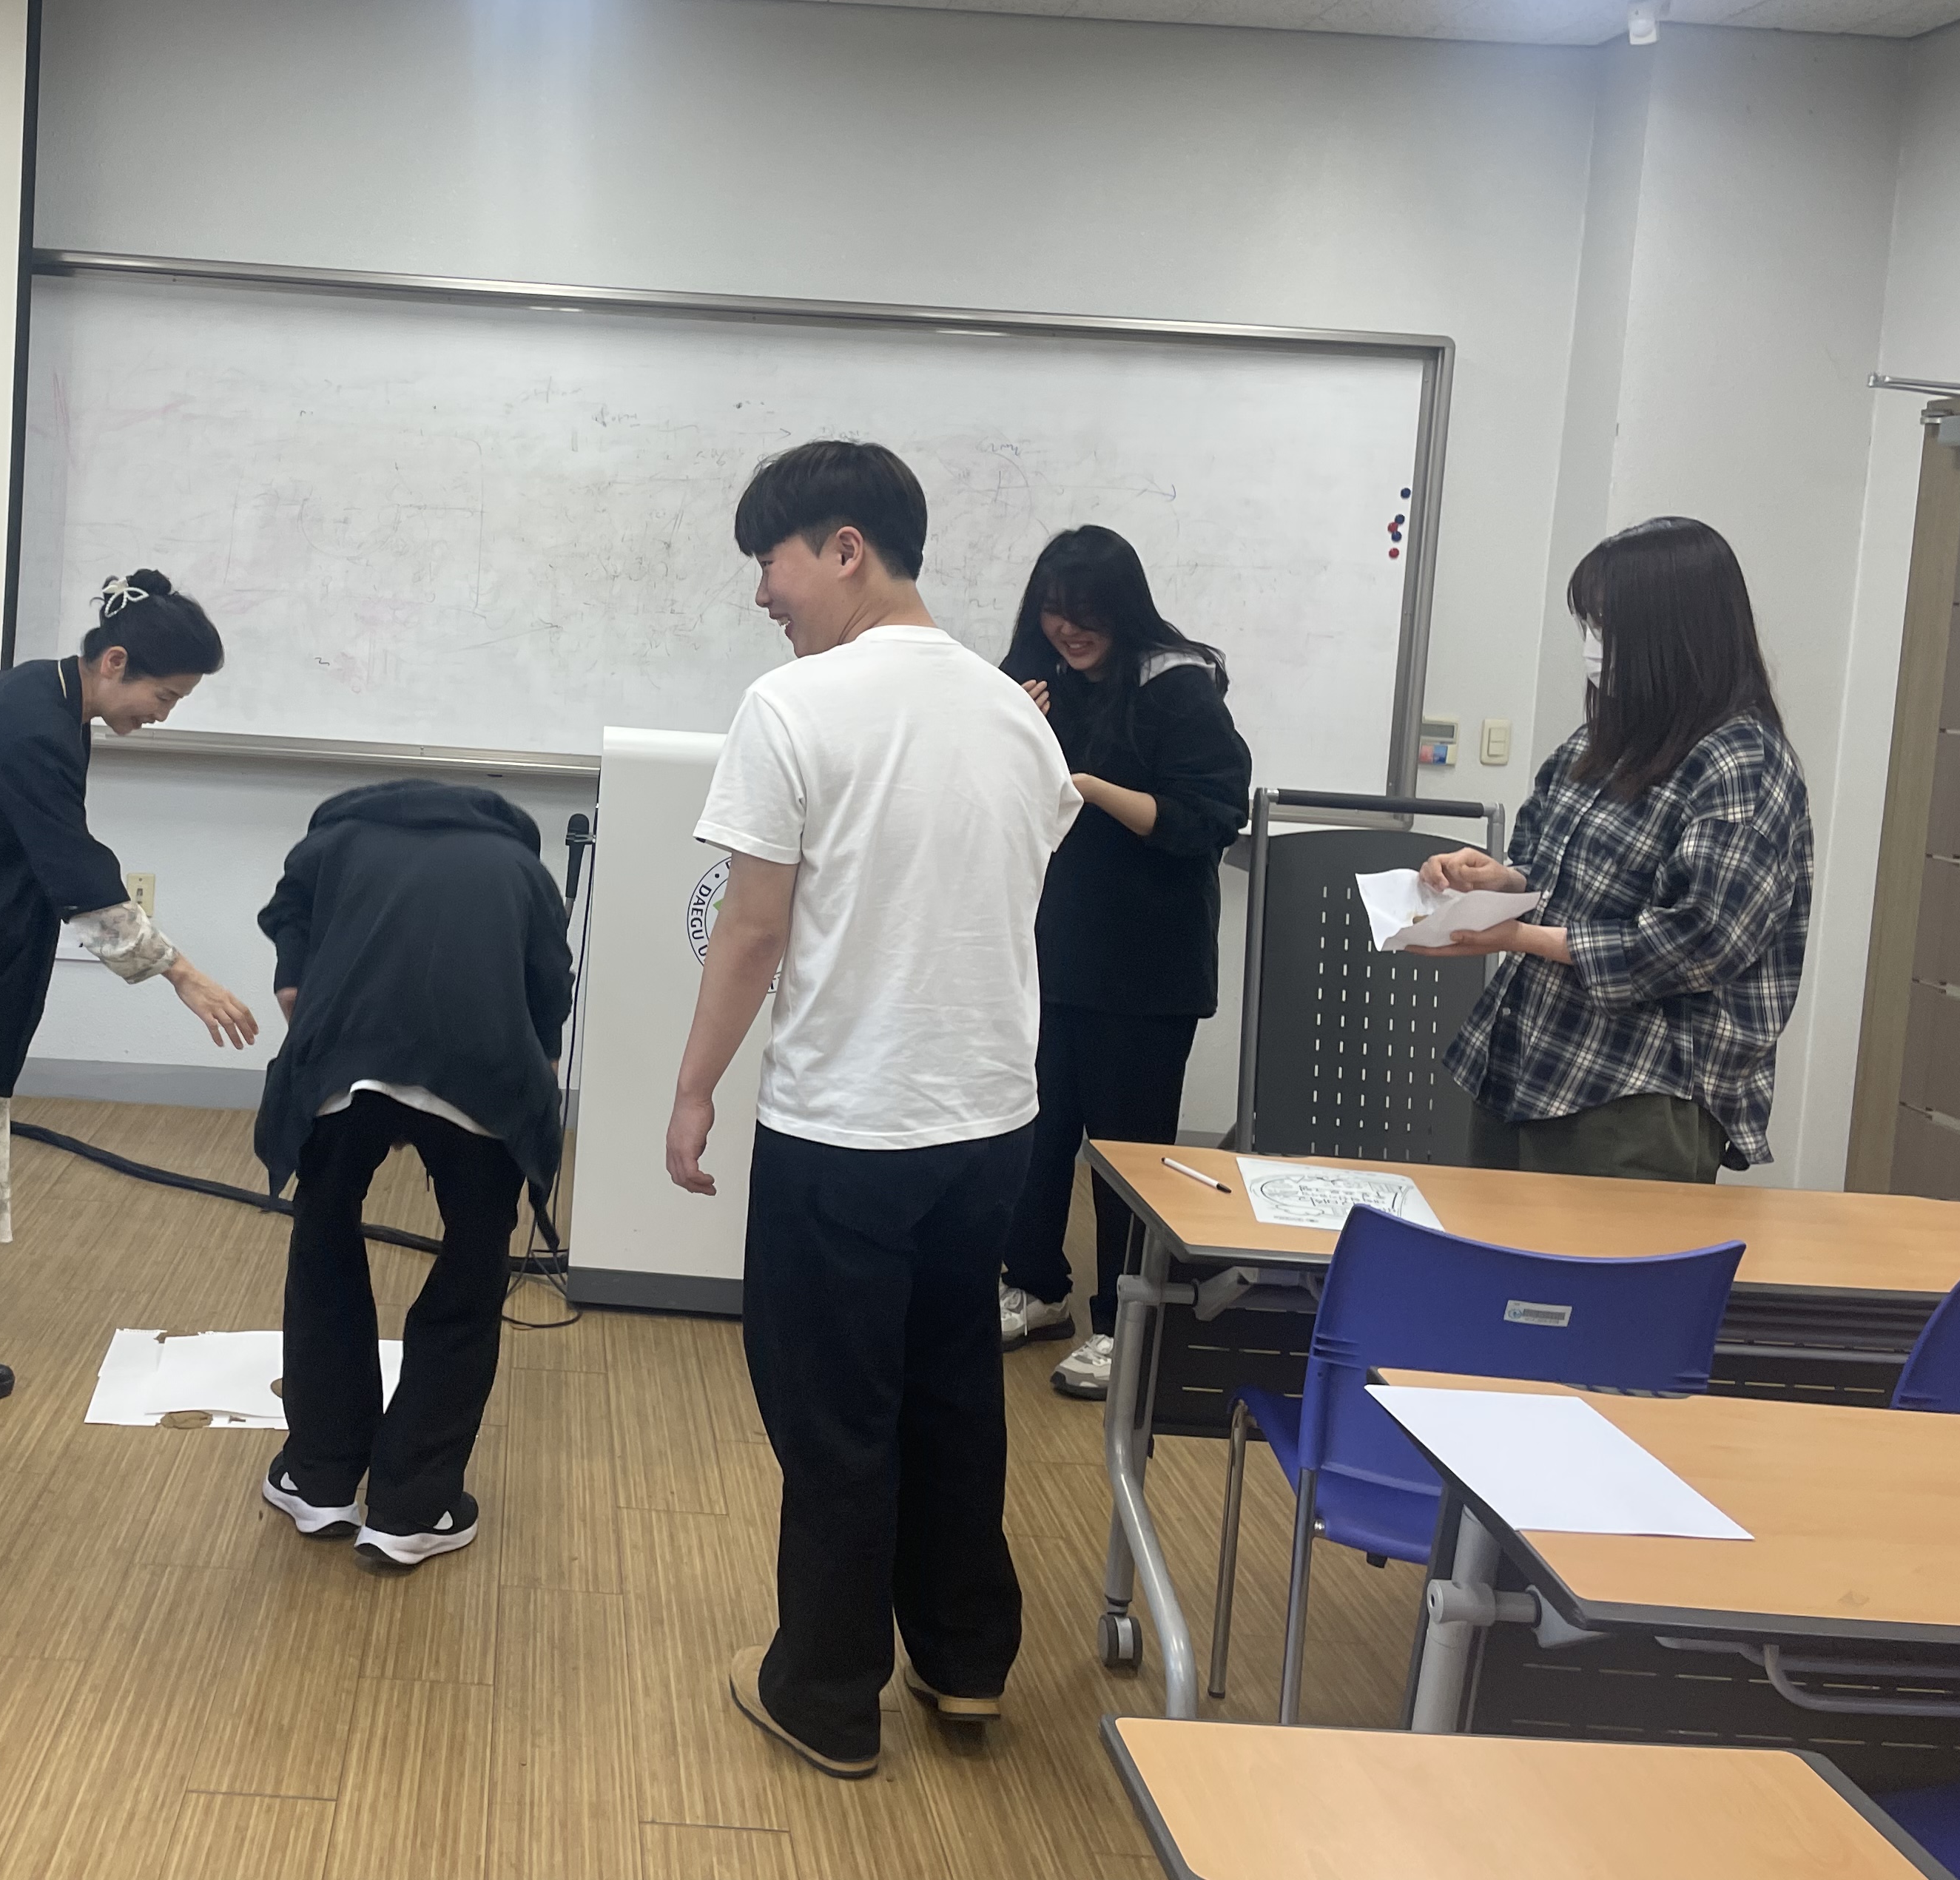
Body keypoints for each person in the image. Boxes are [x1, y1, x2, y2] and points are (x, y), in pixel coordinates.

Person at [664, 440, 1080, 1779]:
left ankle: (827, 1694)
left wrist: (692, 1086)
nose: (761, 595)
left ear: (846, 548)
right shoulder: (1016, 715)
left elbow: (752, 930)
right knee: (952, 1387)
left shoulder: (794, 707)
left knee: (833, 1409)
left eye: (771, 562)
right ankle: (966, 1663)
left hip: (847, 1122)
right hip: (989, 1122)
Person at [0, 571, 260, 1400]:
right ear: (115, 661)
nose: (164, 714)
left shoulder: (48, 694)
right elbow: (75, 868)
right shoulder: (35, 726)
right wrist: (179, 972)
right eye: (164, 696)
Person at [1424, 516, 1811, 1181]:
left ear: (1673, 633)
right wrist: (1497, 883)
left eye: (1607, 627)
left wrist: (1520, 937)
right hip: (1529, 1061)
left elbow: (1703, 940)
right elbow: (1551, 873)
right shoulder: (1603, 740)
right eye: (1588, 627)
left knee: (1595, 1253)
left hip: (1638, 1093)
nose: (1593, 648)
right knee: (1485, 1246)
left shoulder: (1741, 760)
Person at [251, 780, 573, 1573]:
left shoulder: (330, 845)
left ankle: (319, 1479)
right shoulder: (523, 870)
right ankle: (412, 1508)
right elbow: (547, 1008)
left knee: (323, 1243)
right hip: (483, 1070)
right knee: (472, 1269)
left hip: (346, 1062)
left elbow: (291, 981)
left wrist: (345, 1054)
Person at [991, 528, 1250, 1404]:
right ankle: (1036, 1288)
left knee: (1125, 1156)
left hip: (1145, 968)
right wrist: (1009, 729)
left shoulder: (1176, 687)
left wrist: (1087, 785)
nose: (1067, 630)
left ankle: (1125, 1324)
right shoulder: (1033, 683)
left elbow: (1208, 819)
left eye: (1086, 614)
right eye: (1053, 611)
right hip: (1045, 952)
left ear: (1123, 610)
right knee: (1033, 1137)